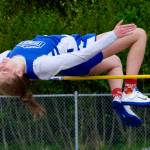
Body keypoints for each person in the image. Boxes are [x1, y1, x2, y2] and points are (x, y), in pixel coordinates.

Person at [0, 21, 148, 126]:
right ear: (19, 73)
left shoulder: (8, 57)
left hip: (79, 50)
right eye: (5, 71)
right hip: (82, 51)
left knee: (114, 62)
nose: (2, 66)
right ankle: (130, 90)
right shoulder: (40, 65)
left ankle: (119, 99)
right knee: (139, 34)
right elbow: (81, 56)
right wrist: (113, 35)